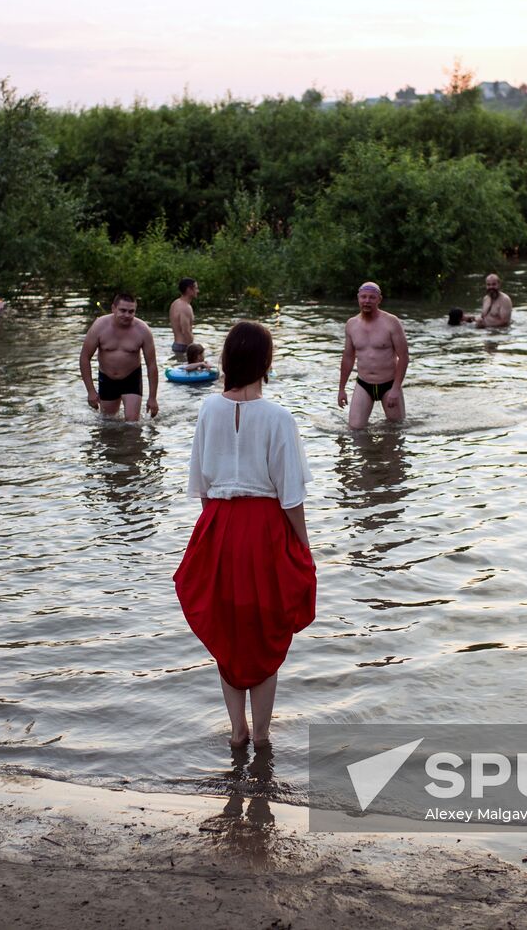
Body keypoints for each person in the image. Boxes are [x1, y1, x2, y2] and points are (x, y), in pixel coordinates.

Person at [174, 321, 316, 749]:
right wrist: (304, 548)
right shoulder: (279, 417)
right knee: (266, 629)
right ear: (265, 362)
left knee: (229, 630)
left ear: (228, 359)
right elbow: (290, 495)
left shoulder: (207, 410)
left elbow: (200, 482)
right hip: (265, 530)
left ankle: (237, 729)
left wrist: (215, 534)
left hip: (216, 525)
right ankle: (263, 734)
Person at [338, 282, 409, 429]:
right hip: (364, 384)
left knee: (397, 428)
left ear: (379, 299)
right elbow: (348, 357)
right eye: (363, 297)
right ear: (358, 298)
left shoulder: (391, 322)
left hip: (389, 384)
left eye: (372, 297)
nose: (367, 301)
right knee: (355, 429)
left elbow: (403, 356)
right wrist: (341, 389)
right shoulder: (351, 324)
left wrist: (396, 388)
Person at [80, 292, 160, 421]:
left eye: (131, 311)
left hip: (131, 378)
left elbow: (152, 365)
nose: (127, 315)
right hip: (107, 378)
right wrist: (90, 391)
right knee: (108, 423)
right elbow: (84, 358)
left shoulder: (143, 330)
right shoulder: (99, 326)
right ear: (113, 308)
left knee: (132, 424)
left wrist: (152, 397)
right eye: (123, 310)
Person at [169, 277, 199, 354]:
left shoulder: (175, 303)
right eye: (196, 288)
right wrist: (193, 350)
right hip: (184, 347)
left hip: (176, 344)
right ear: (189, 289)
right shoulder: (185, 307)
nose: (197, 291)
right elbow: (185, 331)